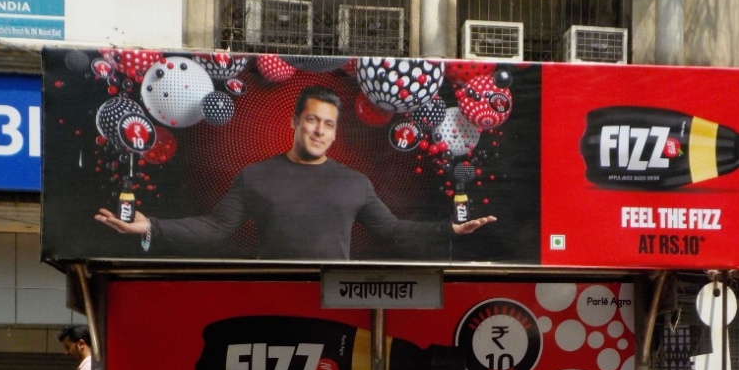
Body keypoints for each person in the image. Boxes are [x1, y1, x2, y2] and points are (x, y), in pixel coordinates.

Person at [94, 85, 496, 260]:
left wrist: (450, 230)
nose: (320, 131)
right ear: (294, 121)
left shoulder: (354, 183)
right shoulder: (255, 176)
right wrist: (150, 227)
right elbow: (215, 228)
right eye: (312, 120)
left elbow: (393, 232)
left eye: (329, 124)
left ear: (336, 131)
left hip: (335, 305)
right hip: (273, 301)